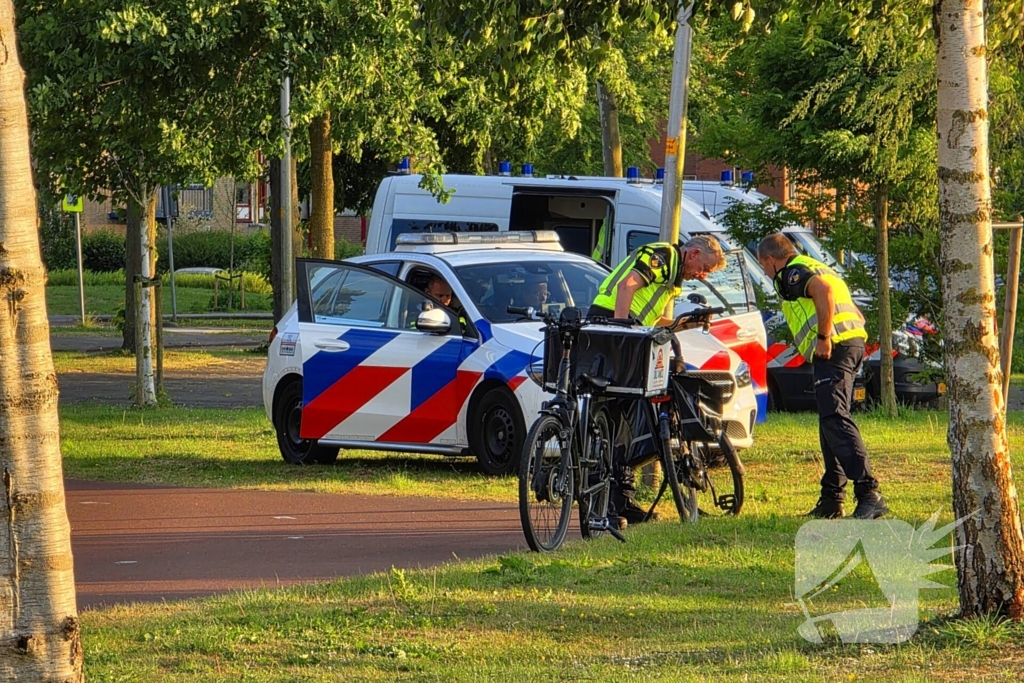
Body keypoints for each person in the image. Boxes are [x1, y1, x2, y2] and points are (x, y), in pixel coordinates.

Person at [588, 235, 727, 527]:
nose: (702, 275)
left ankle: (621, 501)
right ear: (694, 253)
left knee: (625, 421)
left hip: (624, 328)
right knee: (614, 419)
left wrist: (688, 323)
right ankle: (604, 505)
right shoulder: (664, 255)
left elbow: (653, 320)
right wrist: (622, 333)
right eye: (704, 268)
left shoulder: (672, 279)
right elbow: (627, 287)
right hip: (610, 325)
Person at [756, 233, 888, 520]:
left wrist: (824, 337)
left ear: (770, 259)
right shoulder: (818, 266)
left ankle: (869, 493)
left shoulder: (792, 272)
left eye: (763, 266)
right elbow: (853, 311)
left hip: (834, 347)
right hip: (850, 343)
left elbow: (824, 291)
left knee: (835, 419)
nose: (765, 273)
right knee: (829, 421)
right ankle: (832, 498)